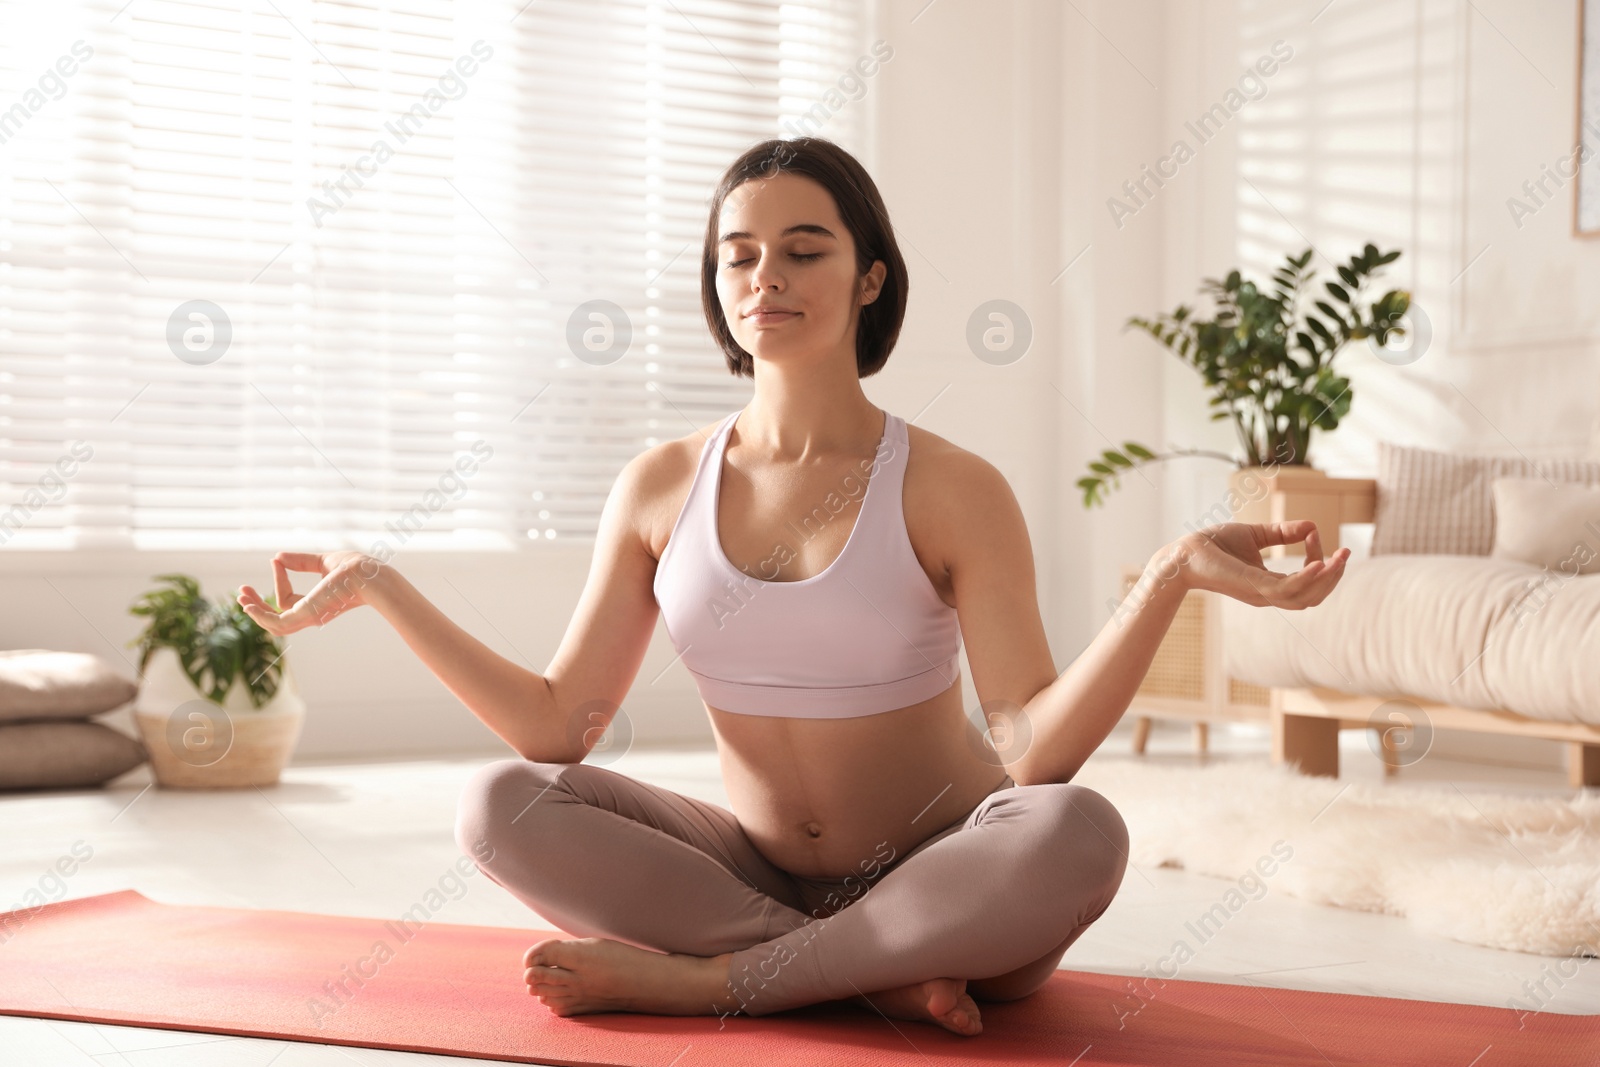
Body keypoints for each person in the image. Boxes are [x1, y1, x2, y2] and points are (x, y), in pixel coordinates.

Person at [238, 136, 1348, 1037]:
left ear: (868, 277)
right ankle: (852, 976)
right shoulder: (659, 483)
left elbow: (1029, 748)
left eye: (803, 249)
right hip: (754, 870)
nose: (763, 276)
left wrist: (1166, 576)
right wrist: (383, 584)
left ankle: (720, 981)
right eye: (737, 254)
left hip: (948, 874)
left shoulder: (953, 486)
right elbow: (558, 722)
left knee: (1076, 829)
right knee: (498, 801)